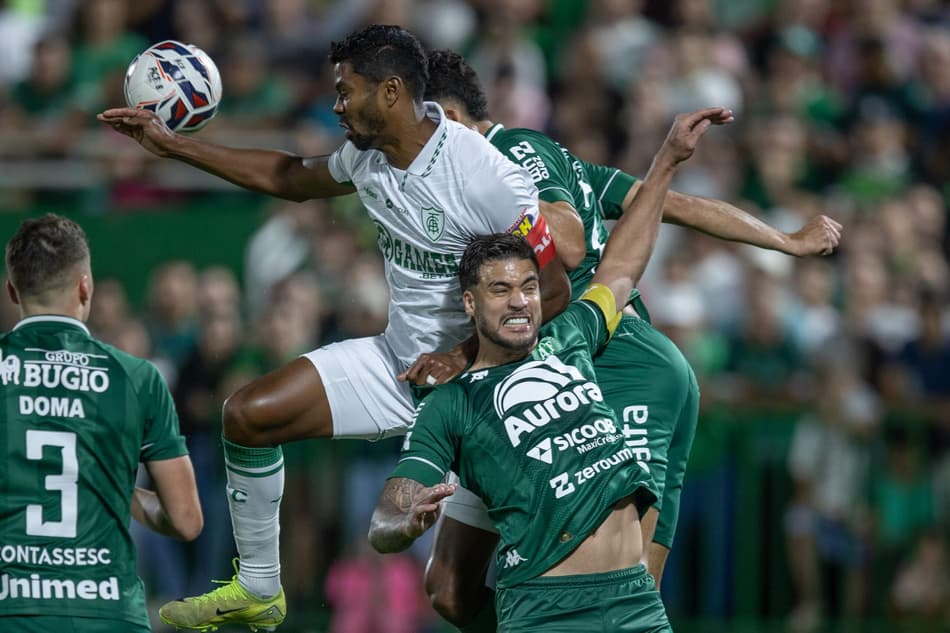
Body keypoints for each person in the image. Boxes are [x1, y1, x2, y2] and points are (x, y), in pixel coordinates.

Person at [98, 24, 579, 631]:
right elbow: (289, 178)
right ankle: (260, 588)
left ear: (391, 93)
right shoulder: (369, 155)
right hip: (397, 365)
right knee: (247, 415)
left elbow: (554, 289)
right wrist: (174, 148)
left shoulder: (484, 176)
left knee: (452, 597)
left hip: (478, 386)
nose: (335, 105)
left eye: (346, 92)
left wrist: (461, 355)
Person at [410, 48, 842, 630]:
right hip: (533, 375)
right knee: (450, 589)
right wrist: (782, 239)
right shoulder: (521, 162)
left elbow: (566, 246)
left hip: (615, 361)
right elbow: (668, 203)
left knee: (626, 584)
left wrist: (789, 244)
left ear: (446, 120)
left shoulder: (511, 153)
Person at [368, 107, 732, 632]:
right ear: (469, 304)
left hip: (635, 607)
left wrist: (668, 160)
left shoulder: (570, 337)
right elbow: (388, 510)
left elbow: (622, 268)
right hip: (546, 610)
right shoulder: (453, 401)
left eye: (529, 287)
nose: (519, 303)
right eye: (500, 290)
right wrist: (403, 525)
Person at [0, 214, 202, 632]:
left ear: (12, 291)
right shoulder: (138, 377)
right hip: (108, 613)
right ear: (84, 287)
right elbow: (185, 519)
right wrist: (110, 483)